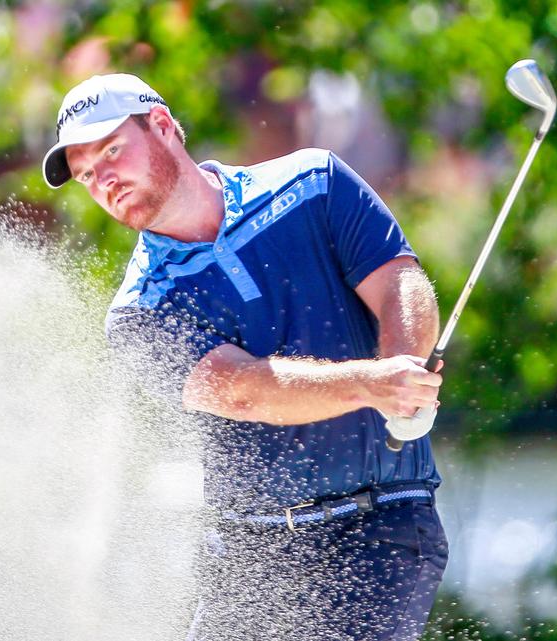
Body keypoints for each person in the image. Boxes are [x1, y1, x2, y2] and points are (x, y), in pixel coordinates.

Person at [42, 73, 449, 640]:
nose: (104, 180)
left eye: (112, 151)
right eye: (87, 174)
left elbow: (399, 284)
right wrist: (375, 383)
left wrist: (404, 374)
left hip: (381, 525)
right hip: (251, 553)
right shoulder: (139, 312)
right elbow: (241, 389)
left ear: (162, 127)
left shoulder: (315, 182)